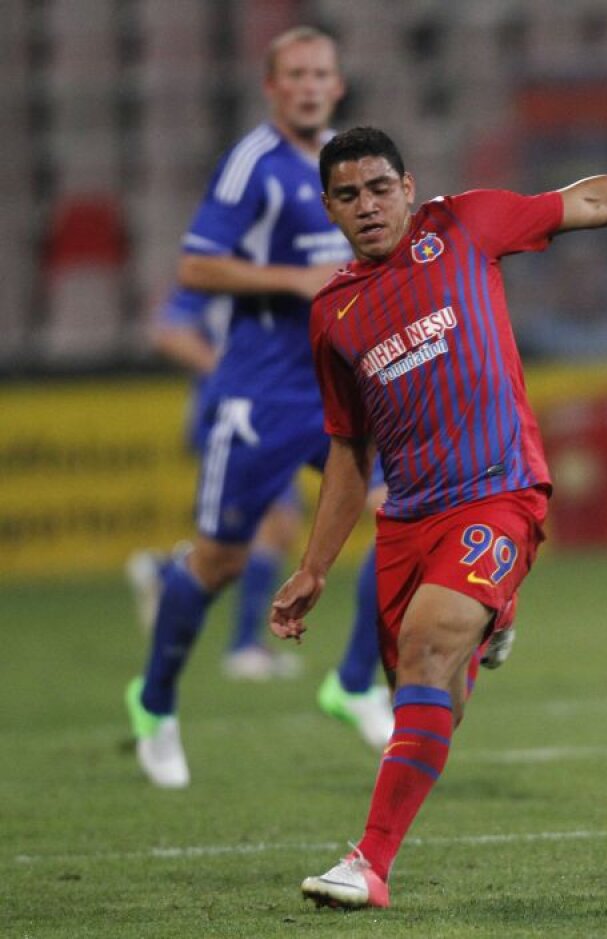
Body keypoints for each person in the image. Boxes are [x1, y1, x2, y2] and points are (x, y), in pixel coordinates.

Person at [268, 126, 607, 909]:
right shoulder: (333, 317)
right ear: (330, 207)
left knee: (427, 646)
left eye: (380, 188)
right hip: (409, 522)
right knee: (436, 700)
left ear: (408, 184)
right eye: (349, 196)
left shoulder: (461, 225)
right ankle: (497, 617)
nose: (367, 206)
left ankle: (370, 862)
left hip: (499, 493)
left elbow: (586, 198)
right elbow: (350, 453)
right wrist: (316, 566)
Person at [124, 27, 394, 789]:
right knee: (220, 560)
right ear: (273, 87)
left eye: (322, 74)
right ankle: (154, 703)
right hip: (259, 395)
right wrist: (290, 279)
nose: (310, 86)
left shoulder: (353, 163)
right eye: (295, 75)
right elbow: (194, 264)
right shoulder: (252, 166)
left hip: (340, 386)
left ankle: (351, 680)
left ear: (338, 86)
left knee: (405, 512)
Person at [125, 285, 304, 681]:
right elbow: (167, 332)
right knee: (274, 523)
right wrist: (231, 369)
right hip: (232, 415)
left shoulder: (267, 271)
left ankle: (167, 571)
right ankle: (242, 646)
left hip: (263, 413)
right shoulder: (220, 273)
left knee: (268, 529)